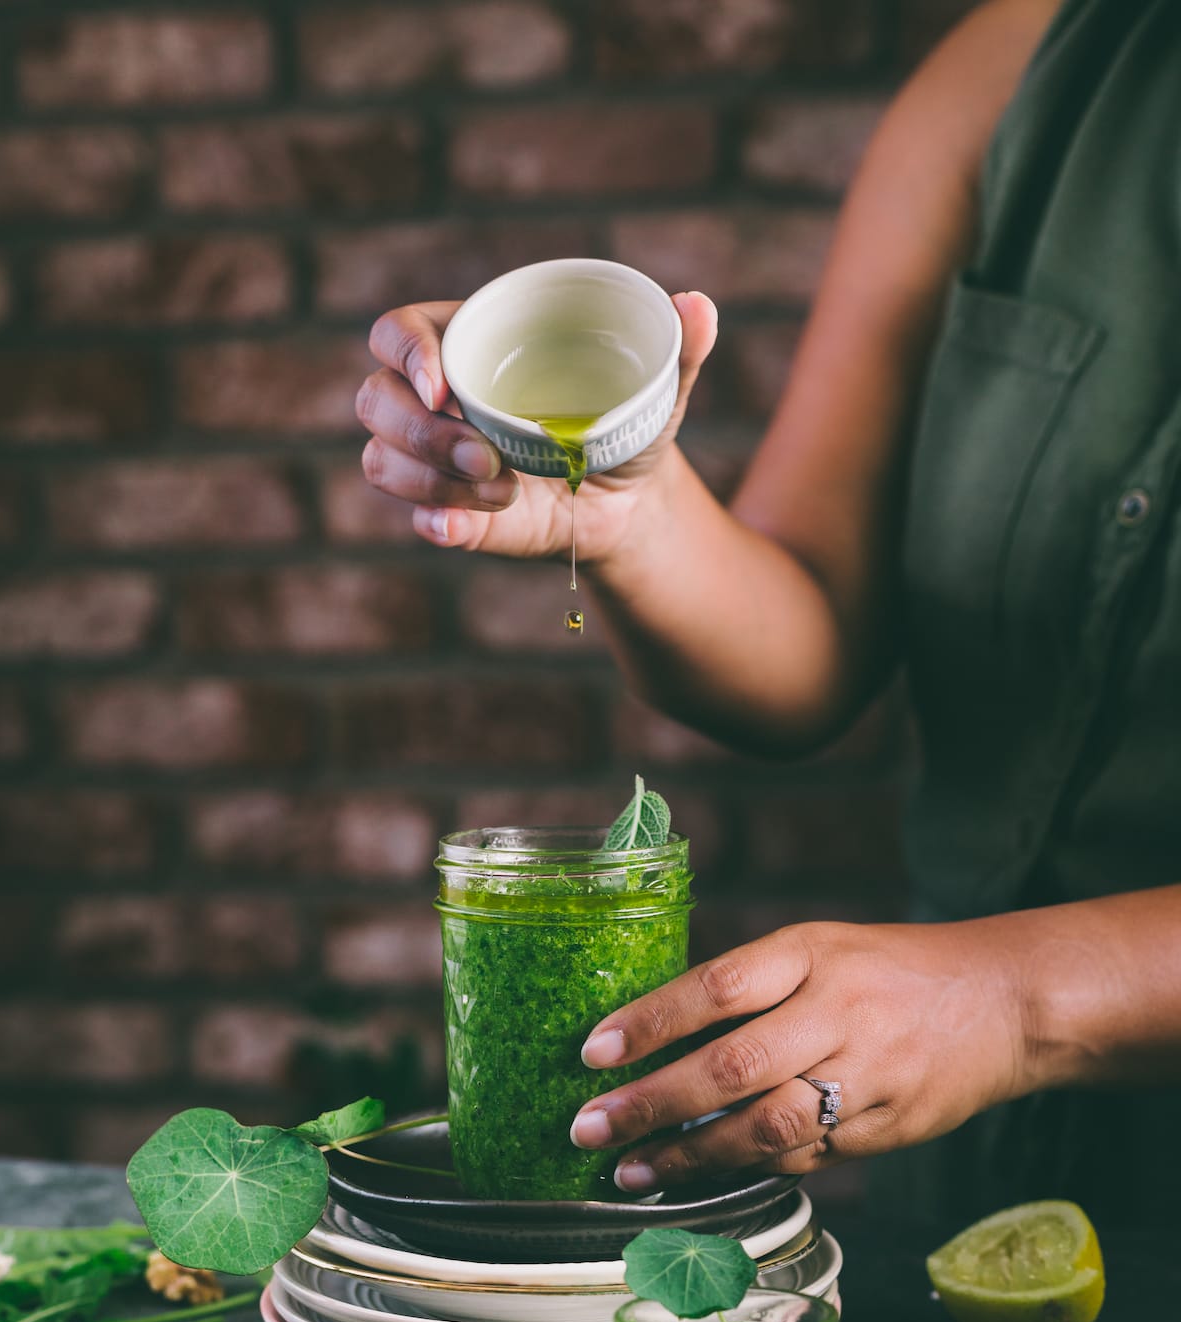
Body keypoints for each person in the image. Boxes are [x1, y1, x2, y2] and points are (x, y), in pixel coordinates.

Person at [356, 0, 1181, 1228]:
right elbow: (803, 647)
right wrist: (626, 516)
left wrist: (1013, 998)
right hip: (962, 1172)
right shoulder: (1027, 54)